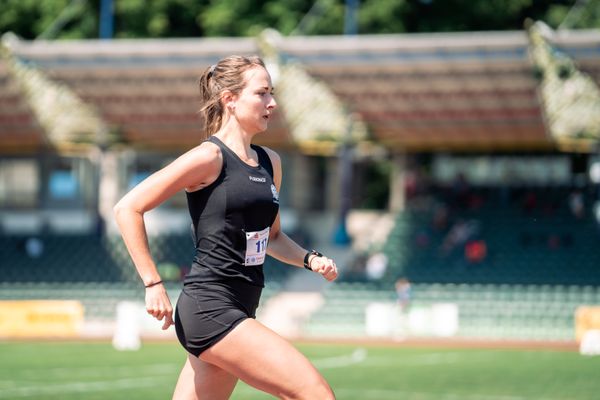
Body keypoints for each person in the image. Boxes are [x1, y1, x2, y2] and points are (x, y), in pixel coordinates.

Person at [113, 55, 338, 400]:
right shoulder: (208, 158)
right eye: (262, 93)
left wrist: (309, 259)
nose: (272, 103)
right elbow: (128, 207)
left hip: (244, 302)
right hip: (210, 307)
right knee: (314, 393)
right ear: (229, 100)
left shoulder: (270, 162)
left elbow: (273, 237)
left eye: (272, 93)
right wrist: (153, 283)